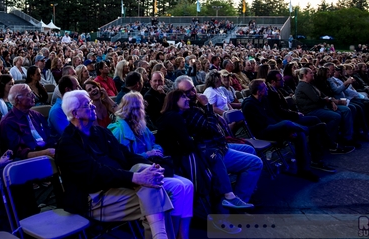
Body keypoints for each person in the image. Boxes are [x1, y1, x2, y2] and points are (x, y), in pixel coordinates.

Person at [56, 89, 177, 239]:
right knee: (158, 196)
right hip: (94, 198)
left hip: (118, 185)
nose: (93, 106)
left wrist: (152, 167)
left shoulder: (101, 132)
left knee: (149, 181)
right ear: (75, 113)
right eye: (87, 104)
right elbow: (95, 173)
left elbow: (126, 155)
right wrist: (135, 178)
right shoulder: (67, 144)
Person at [108, 92, 194, 239]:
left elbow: (154, 142)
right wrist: (147, 154)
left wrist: (157, 150)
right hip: (137, 176)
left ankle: (182, 235)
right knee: (179, 187)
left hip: (152, 167)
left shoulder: (141, 126)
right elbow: (123, 159)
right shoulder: (118, 131)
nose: (143, 108)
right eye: (141, 105)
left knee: (188, 185)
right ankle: (171, 235)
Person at [174, 76, 263, 207]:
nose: (193, 93)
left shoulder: (195, 106)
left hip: (219, 145)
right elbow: (210, 128)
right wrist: (207, 106)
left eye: (193, 89)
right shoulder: (189, 111)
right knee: (255, 163)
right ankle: (237, 201)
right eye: (187, 92)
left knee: (250, 148)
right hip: (211, 151)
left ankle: (242, 193)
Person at [241, 79, 325, 181]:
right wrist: (283, 131)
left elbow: (274, 116)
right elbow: (260, 126)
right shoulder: (249, 105)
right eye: (265, 88)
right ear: (258, 92)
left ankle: (304, 170)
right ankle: (308, 129)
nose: (267, 89)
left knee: (299, 134)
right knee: (286, 123)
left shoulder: (265, 100)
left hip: (275, 127)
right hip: (263, 132)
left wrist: (285, 129)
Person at [0, 84, 56, 160]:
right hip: (29, 162)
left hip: (49, 153)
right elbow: (18, 153)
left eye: (32, 93)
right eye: (29, 95)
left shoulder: (37, 115)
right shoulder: (8, 123)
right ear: (17, 100)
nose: (34, 96)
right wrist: (44, 153)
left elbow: (49, 137)